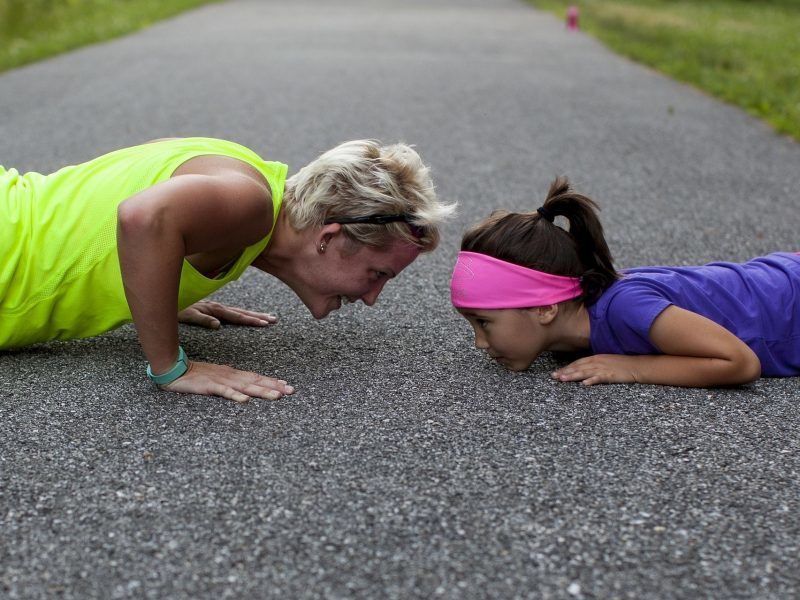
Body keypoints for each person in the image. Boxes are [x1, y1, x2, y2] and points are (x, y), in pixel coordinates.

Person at [1, 137, 455, 402]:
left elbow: (118, 209)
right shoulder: (251, 203)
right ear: (329, 236)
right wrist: (170, 365)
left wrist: (158, 290)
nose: (372, 298)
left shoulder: (249, 187)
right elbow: (143, 217)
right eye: (378, 274)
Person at [450, 176, 800, 388]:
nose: (480, 342)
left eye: (484, 322)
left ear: (545, 308)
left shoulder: (626, 307)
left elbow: (739, 362)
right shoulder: (571, 332)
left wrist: (631, 367)